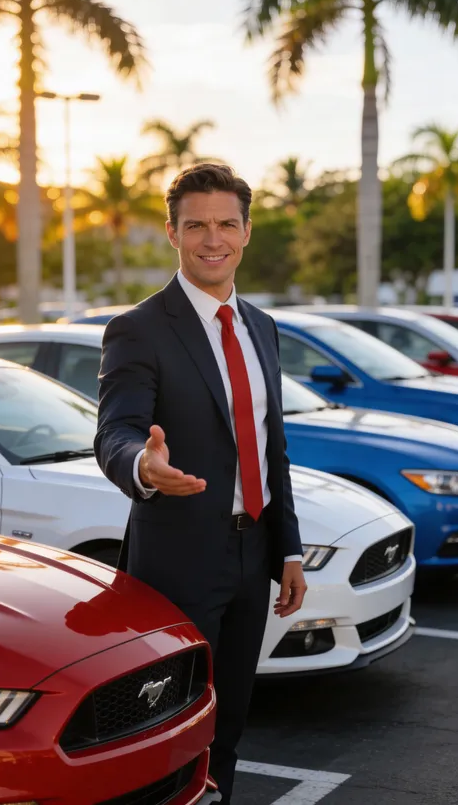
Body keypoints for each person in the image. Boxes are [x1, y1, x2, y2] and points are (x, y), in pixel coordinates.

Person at [95, 163, 306, 804]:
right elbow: (116, 432)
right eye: (196, 226)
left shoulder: (262, 328)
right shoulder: (139, 328)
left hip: (253, 557)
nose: (211, 239)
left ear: (246, 232)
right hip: (179, 559)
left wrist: (288, 550)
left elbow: (273, 450)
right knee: (169, 727)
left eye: (225, 224)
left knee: (231, 721)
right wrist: (143, 467)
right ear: (172, 232)